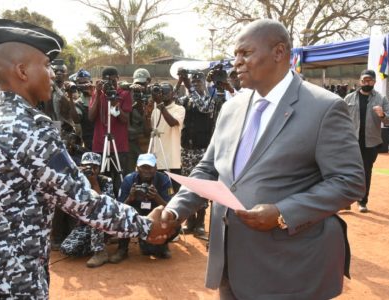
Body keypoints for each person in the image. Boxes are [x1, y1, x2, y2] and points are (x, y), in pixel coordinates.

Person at [0, 19, 174, 299]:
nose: (52, 74)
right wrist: (145, 225)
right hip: (13, 281)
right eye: (45, 65)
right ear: (22, 71)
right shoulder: (30, 127)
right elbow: (81, 200)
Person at [157, 19, 366, 299]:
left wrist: (283, 213)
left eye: (245, 54)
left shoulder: (324, 107)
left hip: (289, 268)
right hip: (231, 261)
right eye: (235, 55)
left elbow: (348, 181)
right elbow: (208, 170)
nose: (236, 63)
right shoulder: (231, 108)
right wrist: (174, 211)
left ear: (279, 52)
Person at [111, 153, 176, 263]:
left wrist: (156, 197)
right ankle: (122, 248)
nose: (146, 171)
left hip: (156, 214)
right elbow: (119, 207)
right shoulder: (129, 180)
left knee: (171, 219)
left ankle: (163, 245)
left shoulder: (164, 180)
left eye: (150, 167)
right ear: (137, 168)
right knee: (124, 214)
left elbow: (172, 207)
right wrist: (130, 198)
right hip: (137, 213)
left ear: (155, 167)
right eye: (143, 167)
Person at [344, 69, 389, 212]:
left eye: (370, 80)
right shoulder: (348, 99)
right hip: (351, 142)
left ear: (374, 82)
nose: (367, 83)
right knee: (347, 172)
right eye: (365, 80)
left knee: (366, 172)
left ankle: (362, 201)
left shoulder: (381, 99)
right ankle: (346, 201)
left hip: (370, 143)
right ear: (360, 81)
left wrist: (382, 114)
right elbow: (339, 118)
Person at [177, 71, 215, 239]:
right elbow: (171, 100)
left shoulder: (209, 99)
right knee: (187, 185)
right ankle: (190, 221)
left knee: (201, 187)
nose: (195, 84)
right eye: (193, 82)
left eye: (198, 82)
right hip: (186, 149)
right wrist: (180, 82)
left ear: (204, 84)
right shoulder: (186, 100)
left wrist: (189, 88)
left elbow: (203, 107)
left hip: (201, 150)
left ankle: (200, 223)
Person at [60, 152, 114, 268]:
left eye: (95, 167)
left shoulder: (105, 181)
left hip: (103, 221)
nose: (91, 170)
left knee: (97, 213)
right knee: (67, 249)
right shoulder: (75, 180)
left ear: (99, 168)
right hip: (83, 223)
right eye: (87, 166)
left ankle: (100, 252)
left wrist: (94, 183)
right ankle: (95, 243)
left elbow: (106, 205)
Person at [89, 66, 132, 195]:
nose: (110, 84)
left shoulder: (124, 94)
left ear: (118, 79)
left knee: (119, 181)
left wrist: (114, 101)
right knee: (101, 180)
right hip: (100, 145)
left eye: (113, 81)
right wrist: (97, 94)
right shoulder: (97, 94)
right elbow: (91, 117)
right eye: (107, 81)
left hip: (118, 145)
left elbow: (125, 120)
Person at [144, 82, 185, 189]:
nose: (163, 94)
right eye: (161, 91)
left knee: (174, 192)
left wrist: (160, 106)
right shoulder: (155, 110)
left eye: (166, 91)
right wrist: (147, 113)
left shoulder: (179, 109)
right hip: (157, 160)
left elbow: (172, 123)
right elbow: (150, 130)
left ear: (173, 94)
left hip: (172, 160)